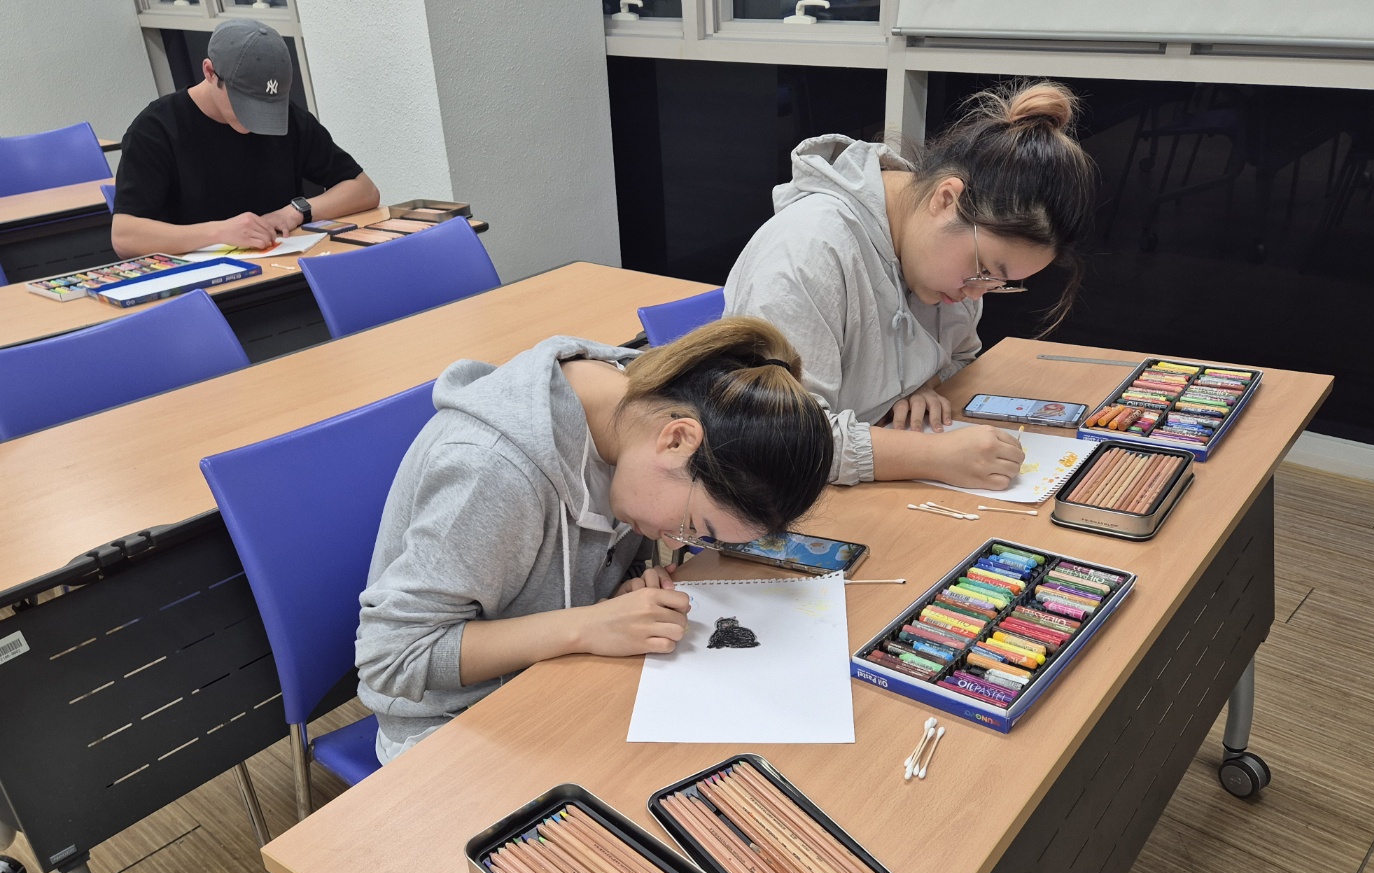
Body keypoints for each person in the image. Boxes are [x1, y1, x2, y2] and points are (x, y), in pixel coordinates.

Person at [355, 318, 834, 761]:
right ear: (676, 441)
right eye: (693, 526)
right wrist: (587, 625)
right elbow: (391, 655)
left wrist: (620, 592)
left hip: (557, 676)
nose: (678, 542)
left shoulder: (639, 412)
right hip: (451, 724)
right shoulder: (493, 470)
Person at [724, 80, 1097, 490]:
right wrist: (932, 455)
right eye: (983, 269)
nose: (976, 293)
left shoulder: (942, 262)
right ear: (946, 199)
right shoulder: (807, 249)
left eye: (999, 284)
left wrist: (923, 384)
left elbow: (960, 356)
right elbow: (774, 438)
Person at [110, 19, 378, 258]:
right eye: (246, 104)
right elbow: (125, 236)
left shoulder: (290, 119)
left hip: (283, 268)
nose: (257, 119)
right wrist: (220, 232)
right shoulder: (156, 130)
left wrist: (295, 211)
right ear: (209, 72)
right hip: (202, 283)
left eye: (267, 106)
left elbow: (364, 189)